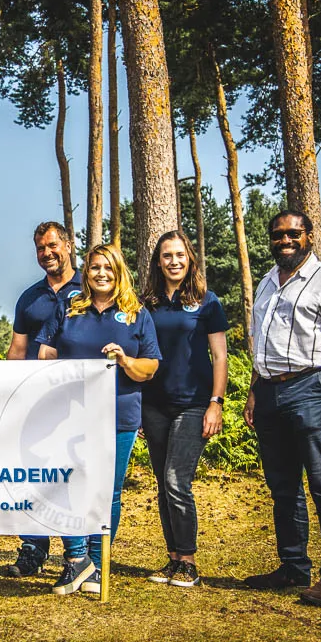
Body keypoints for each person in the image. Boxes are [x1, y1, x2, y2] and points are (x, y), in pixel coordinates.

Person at [243, 211, 321, 607]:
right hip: (269, 392)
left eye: (293, 233)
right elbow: (263, 343)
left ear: (309, 236)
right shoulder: (266, 283)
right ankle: (293, 566)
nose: (285, 240)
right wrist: (253, 390)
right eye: (278, 235)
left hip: (312, 387)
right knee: (283, 487)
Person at [37, 244, 160, 595]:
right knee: (66, 484)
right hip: (69, 414)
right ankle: (76, 560)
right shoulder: (69, 306)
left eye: (108, 267)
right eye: (94, 268)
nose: (101, 273)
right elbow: (46, 350)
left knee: (108, 490)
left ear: (118, 271)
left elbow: (149, 368)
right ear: (86, 273)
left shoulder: (136, 314)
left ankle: (97, 562)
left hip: (118, 414)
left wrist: (124, 361)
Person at [140, 230, 229, 588]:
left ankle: (189, 560)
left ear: (189, 258)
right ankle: (173, 558)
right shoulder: (146, 303)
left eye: (179, 255)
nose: (173, 261)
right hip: (154, 405)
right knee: (163, 483)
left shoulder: (208, 302)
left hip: (194, 404)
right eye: (166, 256)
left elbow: (220, 356)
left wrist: (215, 403)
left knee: (178, 480)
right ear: (158, 262)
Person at [4, 221, 82, 578]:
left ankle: (75, 555)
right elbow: (17, 350)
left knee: (72, 479)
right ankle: (33, 549)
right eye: (40, 248)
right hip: (36, 403)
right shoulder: (29, 297)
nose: (47, 253)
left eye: (52, 246)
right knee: (32, 475)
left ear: (68, 245)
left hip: (79, 402)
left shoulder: (91, 287)